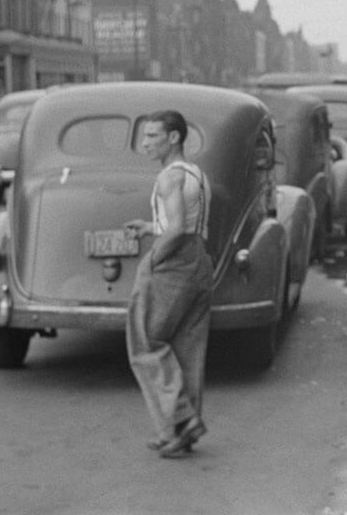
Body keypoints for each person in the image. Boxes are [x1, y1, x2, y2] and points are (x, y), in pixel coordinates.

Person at [123, 110, 214, 459]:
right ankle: (177, 433)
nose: (145, 144)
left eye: (152, 136)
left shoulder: (168, 177)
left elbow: (176, 228)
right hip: (198, 259)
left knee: (145, 339)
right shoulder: (196, 174)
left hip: (174, 261)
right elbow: (188, 222)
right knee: (187, 347)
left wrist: (154, 257)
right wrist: (149, 227)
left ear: (174, 138)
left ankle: (182, 418)